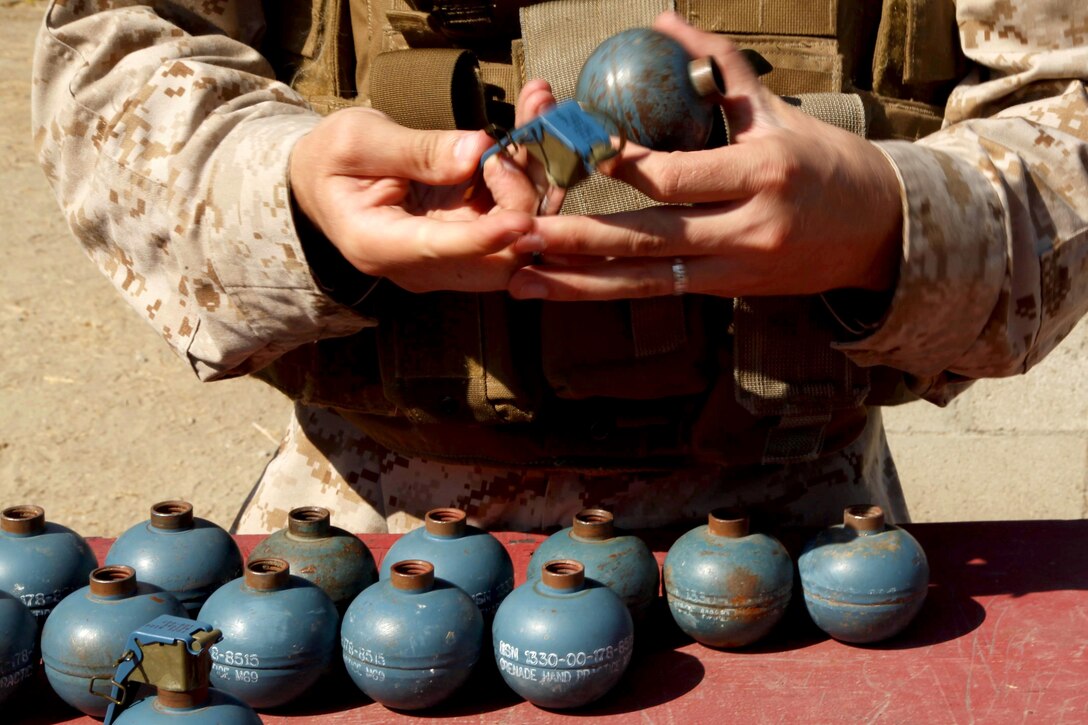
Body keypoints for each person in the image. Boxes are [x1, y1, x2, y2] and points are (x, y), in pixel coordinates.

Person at [33, 1, 1088, 534]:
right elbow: (113, 50)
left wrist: (892, 222)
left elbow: (1065, 101)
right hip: (364, 534)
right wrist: (290, 191)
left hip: (805, 535)